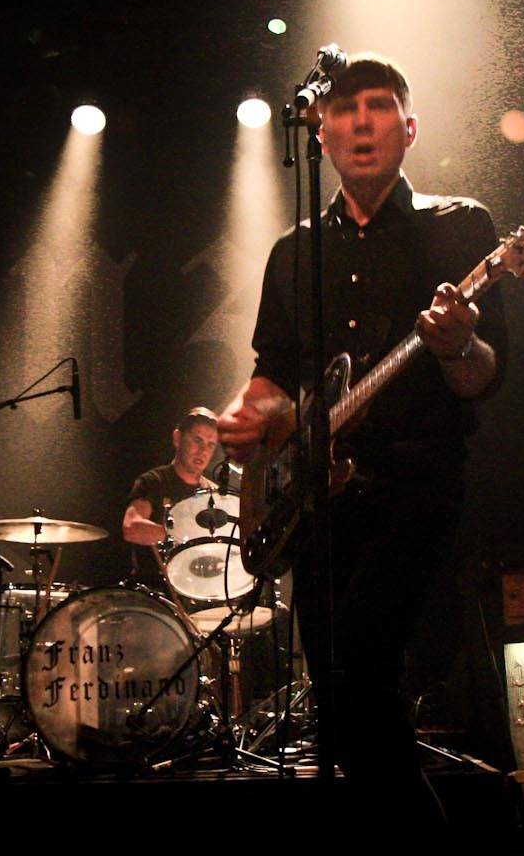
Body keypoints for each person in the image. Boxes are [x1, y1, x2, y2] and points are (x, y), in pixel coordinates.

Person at [217, 53, 508, 828]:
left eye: (379, 107)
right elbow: (271, 375)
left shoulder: (464, 228)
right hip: (319, 503)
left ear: (409, 128)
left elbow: (484, 376)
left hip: (417, 487)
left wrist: (454, 345)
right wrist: (246, 415)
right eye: (344, 112)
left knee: (363, 662)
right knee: (342, 705)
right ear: (320, 136)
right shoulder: (294, 250)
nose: (361, 122)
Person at [122, 406, 221, 556]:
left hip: (197, 577)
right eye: (197, 440)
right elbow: (131, 527)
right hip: (155, 578)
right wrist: (183, 537)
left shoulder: (214, 493)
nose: (203, 450)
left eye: (210, 444)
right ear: (177, 438)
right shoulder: (153, 481)